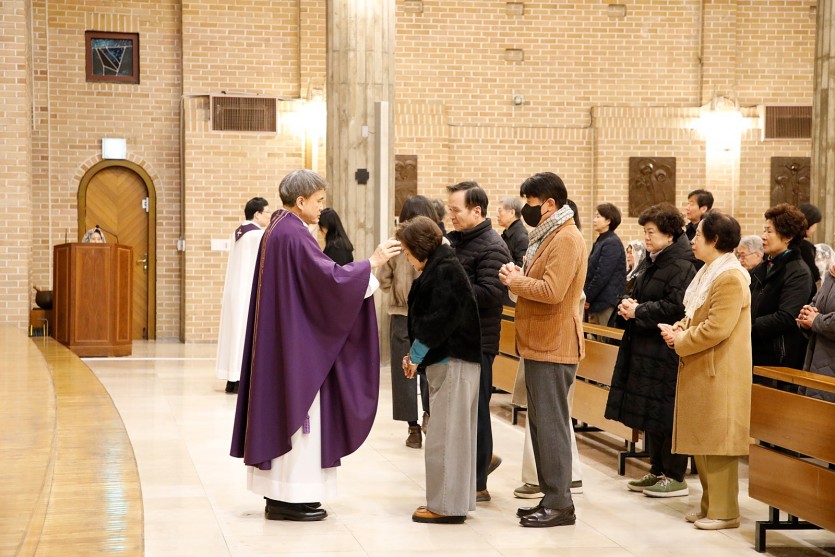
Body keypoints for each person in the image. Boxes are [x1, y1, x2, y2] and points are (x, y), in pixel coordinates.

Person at [230, 170, 401, 522]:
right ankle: (290, 498)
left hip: (286, 338)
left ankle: (285, 496)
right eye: (319, 200)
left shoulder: (279, 229)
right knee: (301, 420)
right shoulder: (293, 234)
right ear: (301, 201)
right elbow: (329, 282)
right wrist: (372, 263)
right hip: (296, 347)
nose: (322, 207)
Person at [499, 171, 587, 528]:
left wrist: (516, 281)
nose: (527, 209)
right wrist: (518, 278)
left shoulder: (565, 238)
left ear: (550, 203)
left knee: (551, 426)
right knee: (540, 425)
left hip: (554, 343)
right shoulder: (548, 235)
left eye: (531, 202)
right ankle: (551, 496)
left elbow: (552, 291)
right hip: (540, 343)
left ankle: (560, 503)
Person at [660, 210, 752, 531]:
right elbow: (697, 314)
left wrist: (681, 339)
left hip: (721, 372)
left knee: (719, 444)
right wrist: (679, 327)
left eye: (698, 235)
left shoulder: (730, 277)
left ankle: (725, 512)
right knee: (704, 442)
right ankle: (709, 507)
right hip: (704, 368)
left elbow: (716, 328)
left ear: (714, 240)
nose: (693, 239)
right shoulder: (709, 272)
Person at [604, 202, 696, 498]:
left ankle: (674, 474)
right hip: (646, 345)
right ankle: (656, 469)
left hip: (665, 347)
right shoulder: (654, 260)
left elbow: (677, 306)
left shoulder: (681, 265)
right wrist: (629, 304)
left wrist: (640, 310)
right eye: (645, 231)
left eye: (651, 232)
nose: (646, 237)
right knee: (651, 411)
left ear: (669, 234)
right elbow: (640, 291)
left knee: (666, 411)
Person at [398, 216, 482, 524]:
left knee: (444, 437)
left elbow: (438, 322)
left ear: (420, 248)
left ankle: (446, 506)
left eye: (408, 252)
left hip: (453, 362)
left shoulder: (444, 270)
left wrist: (415, 356)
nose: (407, 259)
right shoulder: (442, 266)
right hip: (453, 362)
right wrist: (415, 356)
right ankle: (455, 501)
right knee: (454, 437)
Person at [446, 181, 511, 502]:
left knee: (476, 413)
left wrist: (448, 284)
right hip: (458, 339)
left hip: (478, 342)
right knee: (462, 413)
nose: (451, 216)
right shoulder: (460, 241)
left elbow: (489, 294)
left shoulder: (492, 246)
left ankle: (478, 483)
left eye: (456, 210)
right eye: (449, 210)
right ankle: (468, 472)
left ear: (476, 211)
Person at [378, 195, 436, 448]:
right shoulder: (434, 242)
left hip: (405, 315)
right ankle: (427, 417)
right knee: (427, 368)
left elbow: (383, 280)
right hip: (425, 315)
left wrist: (398, 292)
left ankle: (414, 427)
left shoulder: (397, 244)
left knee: (407, 372)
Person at [216, 197, 271, 394]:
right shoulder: (257, 235)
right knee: (245, 334)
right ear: (257, 214)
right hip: (247, 291)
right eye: (267, 212)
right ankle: (240, 379)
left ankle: (232, 379)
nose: (269, 216)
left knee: (234, 333)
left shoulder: (238, 232)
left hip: (234, 290)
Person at [750, 203, 813, 374]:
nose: (763, 236)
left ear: (788, 237)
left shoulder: (798, 272)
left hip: (778, 357)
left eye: (769, 232)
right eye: (764, 230)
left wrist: (748, 327)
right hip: (754, 349)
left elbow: (787, 317)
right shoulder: (764, 266)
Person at [797, 262, 835, 402]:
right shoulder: (832, 273)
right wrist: (806, 316)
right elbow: (816, 303)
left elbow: (817, 319)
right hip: (816, 359)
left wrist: (817, 321)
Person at [585, 203, 626, 327]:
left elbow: (601, 275)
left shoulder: (611, 243)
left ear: (608, 220)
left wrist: (588, 297)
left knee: (605, 337)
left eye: (598, 216)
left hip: (606, 302)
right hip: (598, 301)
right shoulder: (601, 241)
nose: (594, 220)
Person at [498, 196, 529, 267]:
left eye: (500, 211)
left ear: (512, 213)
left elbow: (521, 267)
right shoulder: (507, 234)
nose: (497, 215)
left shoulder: (521, 237)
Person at [798, 203, 822, 290]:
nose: (815, 228)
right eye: (815, 224)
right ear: (808, 223)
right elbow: (814, 274)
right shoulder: (804, 247)